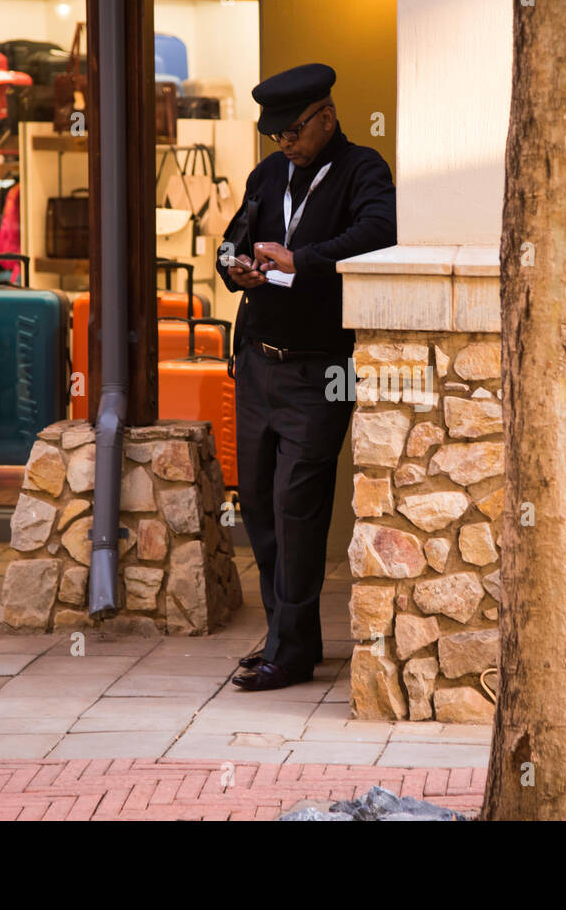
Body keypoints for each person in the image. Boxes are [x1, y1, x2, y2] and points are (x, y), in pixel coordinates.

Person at [218, 62, 397, 691]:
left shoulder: (363, 169)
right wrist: (235, 266)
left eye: (293, 132)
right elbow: (232, 237)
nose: (284, 144)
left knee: (298, 505)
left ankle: (289, 654)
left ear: (326, 116)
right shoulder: (267, 174)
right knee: (262, 505)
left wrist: (303, 258)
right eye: (276, 135)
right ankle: (288, 638)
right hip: (258, 363)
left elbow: (381, 233)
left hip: (319, 368)